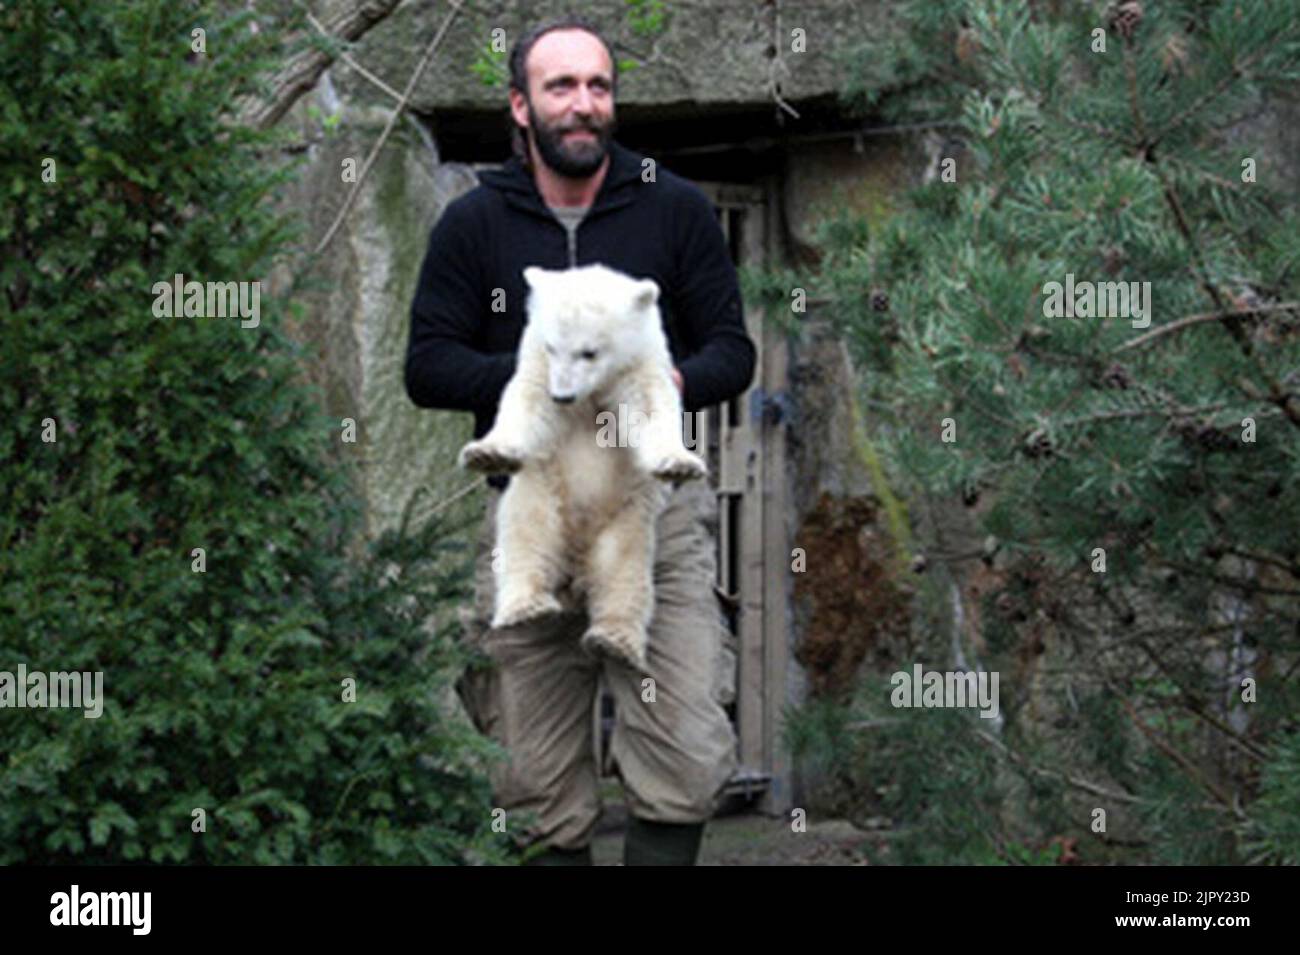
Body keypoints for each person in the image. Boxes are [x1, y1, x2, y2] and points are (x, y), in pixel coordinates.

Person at [405, 16, 756, 866]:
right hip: (532, 512)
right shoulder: (475, 223)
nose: (584, 104)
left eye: (599, 86)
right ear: (521, 106)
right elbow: (427, 366)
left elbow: (732, 351)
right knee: (529, 772)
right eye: (561, 87)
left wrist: (665, 382)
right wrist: (536, 382)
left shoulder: (671, 209)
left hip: (652, 513)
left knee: (681, 749)